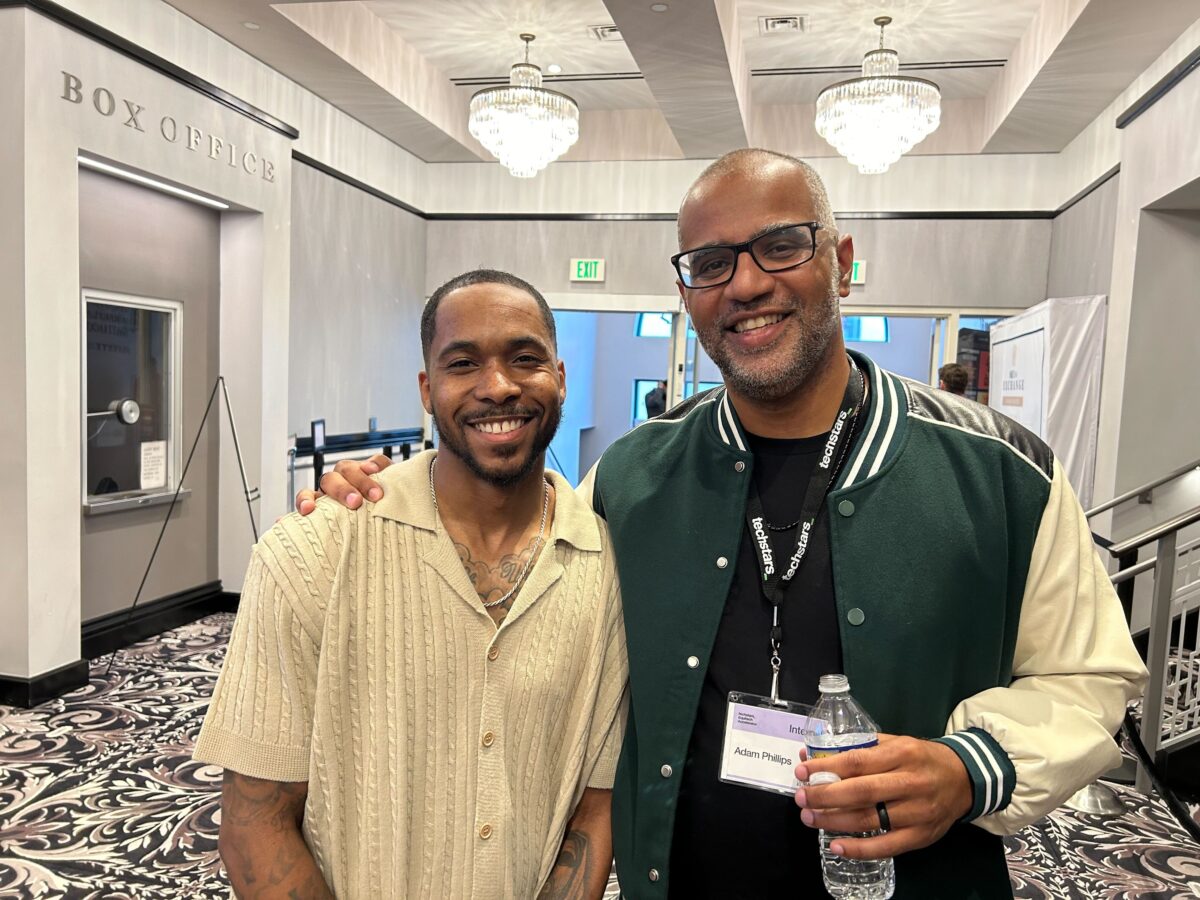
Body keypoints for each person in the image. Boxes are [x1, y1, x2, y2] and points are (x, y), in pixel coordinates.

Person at [301, 150, 1146, 898]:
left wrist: (971, 769)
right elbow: (512, 563)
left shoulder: (1001, 470)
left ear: (842, 262)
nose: (745, 283)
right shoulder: (631, 476)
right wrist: (385, 496)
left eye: (781, 245)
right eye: (710, 263)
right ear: (687, 294)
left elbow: (1090, 678)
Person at [197, 269, 628, 899]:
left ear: (560, 378)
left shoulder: (607, 568)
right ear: (428, 389)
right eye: (463, 364)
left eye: (525, 358)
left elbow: (594, 807)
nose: (497, 386)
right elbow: (255, 822)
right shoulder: (313, 552)